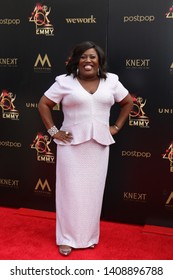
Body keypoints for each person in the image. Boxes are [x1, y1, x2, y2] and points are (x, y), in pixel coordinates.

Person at [38, 41, 133, 256]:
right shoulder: (64, 82)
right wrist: (54, 132)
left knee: (92, 193)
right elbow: (44, 104)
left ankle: (88, 237)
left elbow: (128, 102)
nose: (87, 60)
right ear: (76, 61)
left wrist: (116, 127)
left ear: (99, 60)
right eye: (83, 56)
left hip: (98, 146)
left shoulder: (112, 82)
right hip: (70, 145)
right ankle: (67, 238)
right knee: (69, 192)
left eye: (92, 56)